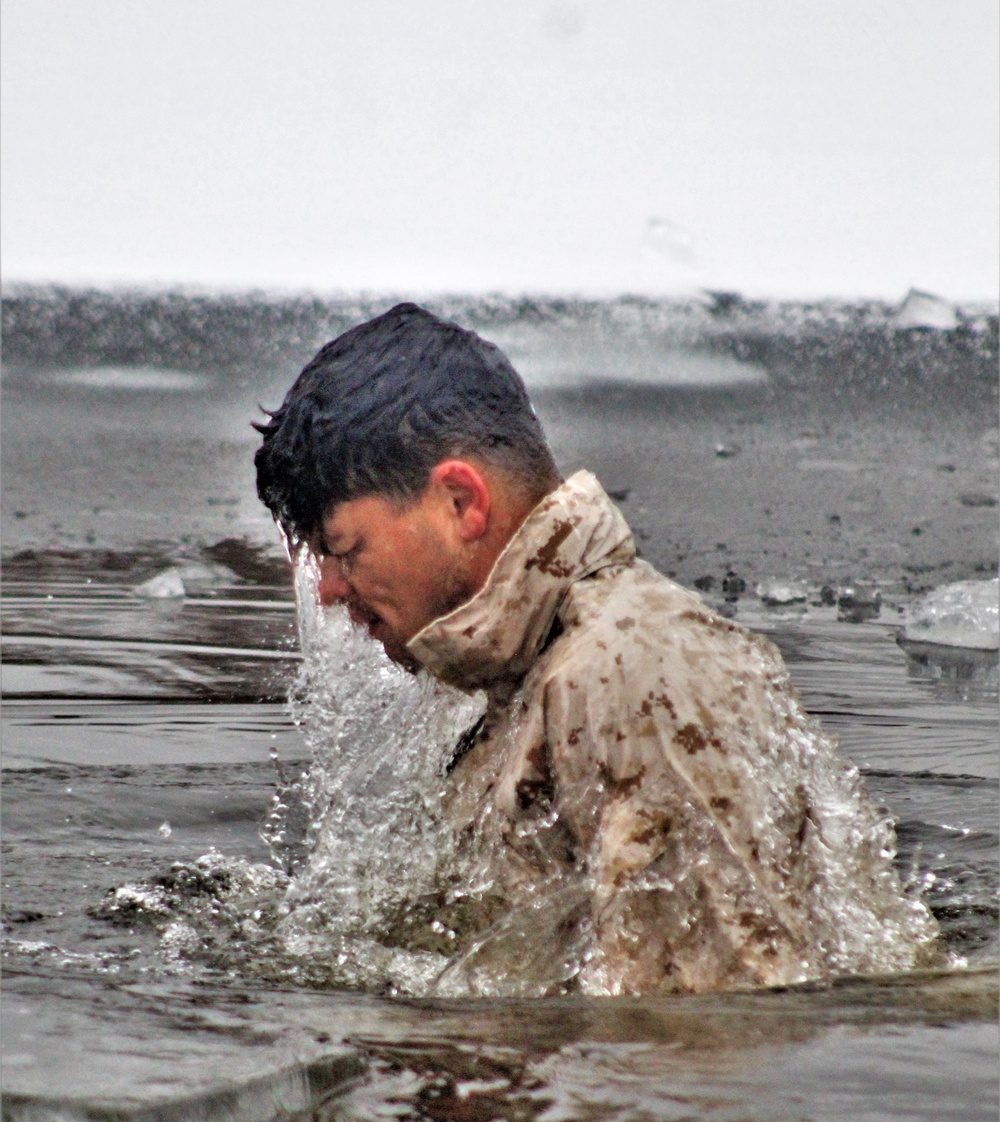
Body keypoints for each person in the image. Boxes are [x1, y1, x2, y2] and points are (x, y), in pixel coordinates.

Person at [254, 303, 938, 995]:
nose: (329, 592)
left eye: (344, 550)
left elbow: (715, 1028)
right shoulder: (530, 670)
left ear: (461, 501)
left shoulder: (630, 671)